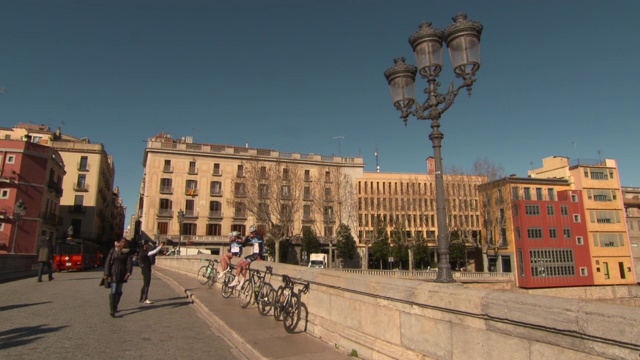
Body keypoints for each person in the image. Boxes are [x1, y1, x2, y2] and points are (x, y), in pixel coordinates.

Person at [103, 238, 133, 317]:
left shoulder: (127, 252)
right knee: (114, 290)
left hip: (122, 272)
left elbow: (129, 263)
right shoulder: (113, 250)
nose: (123, 243)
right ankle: (112, 310)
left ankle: (115, 305)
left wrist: (129, 272)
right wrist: (106, 273)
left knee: (119, 291)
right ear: (119, 243)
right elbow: (108, 262)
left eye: (125, 242)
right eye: (122, 242)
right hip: (113, 271)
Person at [138, 240, 164, 304]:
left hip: (145, 270)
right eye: (146, 244)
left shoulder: (141, 251)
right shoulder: (143, 252)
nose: (147, 245)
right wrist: (160, 247)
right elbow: (153, 252)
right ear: (144, 245)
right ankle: (145, 298)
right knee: (147, 284)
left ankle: (141, 298)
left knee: (145, 284)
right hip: (146, 270)